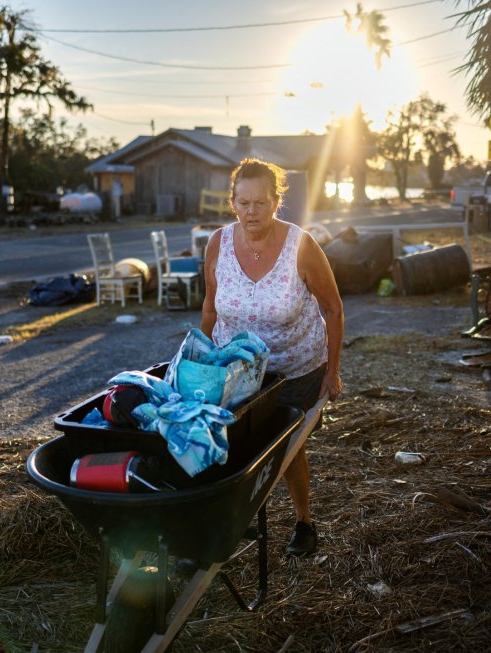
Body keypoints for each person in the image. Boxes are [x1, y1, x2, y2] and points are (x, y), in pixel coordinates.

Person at [200, 157, 344, 556]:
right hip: (237, 371)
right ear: (233, 202)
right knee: (233, 447)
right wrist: (203, 362)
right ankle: (230, 521)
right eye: (243, 203)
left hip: (294, 370)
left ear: (276, 201)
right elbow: (211, 307)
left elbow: (333, 308)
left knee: (288, 448)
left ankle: (304, 522)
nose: (251, 212)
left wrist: (332, 372)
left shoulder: (301, 245)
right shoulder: (218, 243)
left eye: (260, 203)